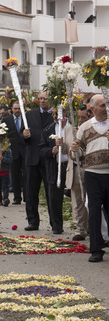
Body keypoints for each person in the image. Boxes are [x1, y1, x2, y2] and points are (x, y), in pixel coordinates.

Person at [70, 94, 109, 262]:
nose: (105, 108)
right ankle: (96, 249)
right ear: (92, 109)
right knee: (94, 211)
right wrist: (74, 149)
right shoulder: (85, 127)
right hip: (93, 175)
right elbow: (78, 155)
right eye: (101, 105)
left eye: (106, 105)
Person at [23, 92, 53, 231]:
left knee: (51, 193)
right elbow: (22, 135)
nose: (42, 101)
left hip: (49, 158)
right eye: (40, 99)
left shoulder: (57, 115)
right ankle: (33, 221)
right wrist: (25, 136)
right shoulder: (29, 115)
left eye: (45, 99)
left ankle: (55, 223)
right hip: (32, 157)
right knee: (30, 192)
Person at [39, 107, 69, 234]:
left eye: (58, 113)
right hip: (55, 166)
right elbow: (41, 149)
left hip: (69, 165)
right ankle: (56, 225)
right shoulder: (48, 130)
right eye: (54, 114)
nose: (56, 116)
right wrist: (51, 150)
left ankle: (83, 226)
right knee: (54, 198)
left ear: (65, 113)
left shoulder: (71, 127)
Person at [65, 106, 89, 241]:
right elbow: (65, 151)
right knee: (77, 202)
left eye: (83, 117)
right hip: (74, 169)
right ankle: (79, 229)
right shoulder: (69, 130)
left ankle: (93, 226)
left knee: (91, 201)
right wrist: (61, 145)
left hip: (88, 168)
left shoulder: (89, 128)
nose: (80, 120)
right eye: (78, 117)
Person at [2, 101, 26, 204]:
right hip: (13, 151)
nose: (17, 110)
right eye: (15, 109)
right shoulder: (6, 120)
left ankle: (27, 197)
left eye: (19, 108)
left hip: (25, 151)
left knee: (26, 175)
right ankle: (17, 198)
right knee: (15, 175)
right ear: (11, 109)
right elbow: (2, 135)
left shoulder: (26, 119)